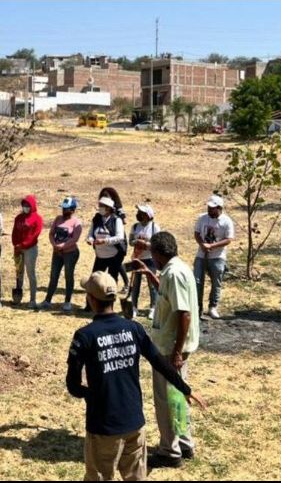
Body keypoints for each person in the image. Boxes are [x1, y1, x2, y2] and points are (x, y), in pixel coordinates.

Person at [66, 271, 206, 481]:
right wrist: (185, 388)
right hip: (134, 423)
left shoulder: (85, 336)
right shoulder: (134, 328)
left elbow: (73, 385)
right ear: (113, 299)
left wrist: (91, 395)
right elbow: (160, 362)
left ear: (91, 299)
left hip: (103, 425)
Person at [133, 232, 202, 469]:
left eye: (152, 254)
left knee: (166, 401)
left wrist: (176, 352)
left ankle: (170, 451)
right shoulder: (176, 269)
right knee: (177, 397)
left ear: (158, 253)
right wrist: (150, 275)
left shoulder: (174, 273)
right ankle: (184, 443)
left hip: (169, 350)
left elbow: (184, 314)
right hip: (172, 347)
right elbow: (168, 298)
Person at [193, 195, 234, 320]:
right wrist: (202, 244)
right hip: (201, 255)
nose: (209, 210)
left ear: (219, 208)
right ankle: (198, 307)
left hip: (218, 256)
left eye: (212, 208)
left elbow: (229, 239)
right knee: (197, 281)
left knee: (216, 282)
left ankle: (213, 306)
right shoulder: (202, 218)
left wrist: (212, 246)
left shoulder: (226, 221)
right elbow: (197, 233)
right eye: (209, 207)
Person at [42, 197, 83, 312]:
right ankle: (47, 300)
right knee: (54, 275)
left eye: (67, 209)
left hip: (70, 253)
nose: (64, 211)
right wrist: (54, 244)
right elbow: (51, 234)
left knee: (68, 276)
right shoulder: (58, 219)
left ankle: (67, 301)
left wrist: (63, 246)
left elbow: (75, 239)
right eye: (63, 208)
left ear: (73, 209)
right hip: (57, 253)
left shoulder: (76, 222)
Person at [129, 205, 161, 321]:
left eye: (141, 213)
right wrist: (136, 242)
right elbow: (130, 241)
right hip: (138, 258)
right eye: (138, 212)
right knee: (135, 284)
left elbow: (157, 244)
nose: (138, 214)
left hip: (150, 259)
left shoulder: (154, 227)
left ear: (148, 215)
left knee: (152, 285)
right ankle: (134, 307)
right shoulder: (135, 226)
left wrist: (146, 245)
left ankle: (153, 307)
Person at [11, 195, 43, 309]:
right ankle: (18, 296)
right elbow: (14, 232)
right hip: (18, 249)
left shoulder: (37, 218)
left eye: (28, 205)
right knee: (19, 273)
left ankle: (32, 299)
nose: (25, 207)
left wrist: (23, 244)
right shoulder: (18, 218)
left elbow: (35, 235)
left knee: (30, 273)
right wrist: (16, 245)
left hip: (30, 249)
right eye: (24, 205)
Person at [86, 196, 126, 283]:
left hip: (113, 256)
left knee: (112, 281)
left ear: (108, 208)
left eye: (101, 206)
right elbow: (90, 234)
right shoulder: (96, 219)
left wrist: (104, 241)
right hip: (100, 256)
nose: (99, 208)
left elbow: (120, 237)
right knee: (95, 280)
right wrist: (90, 239)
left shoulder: (116, 220)